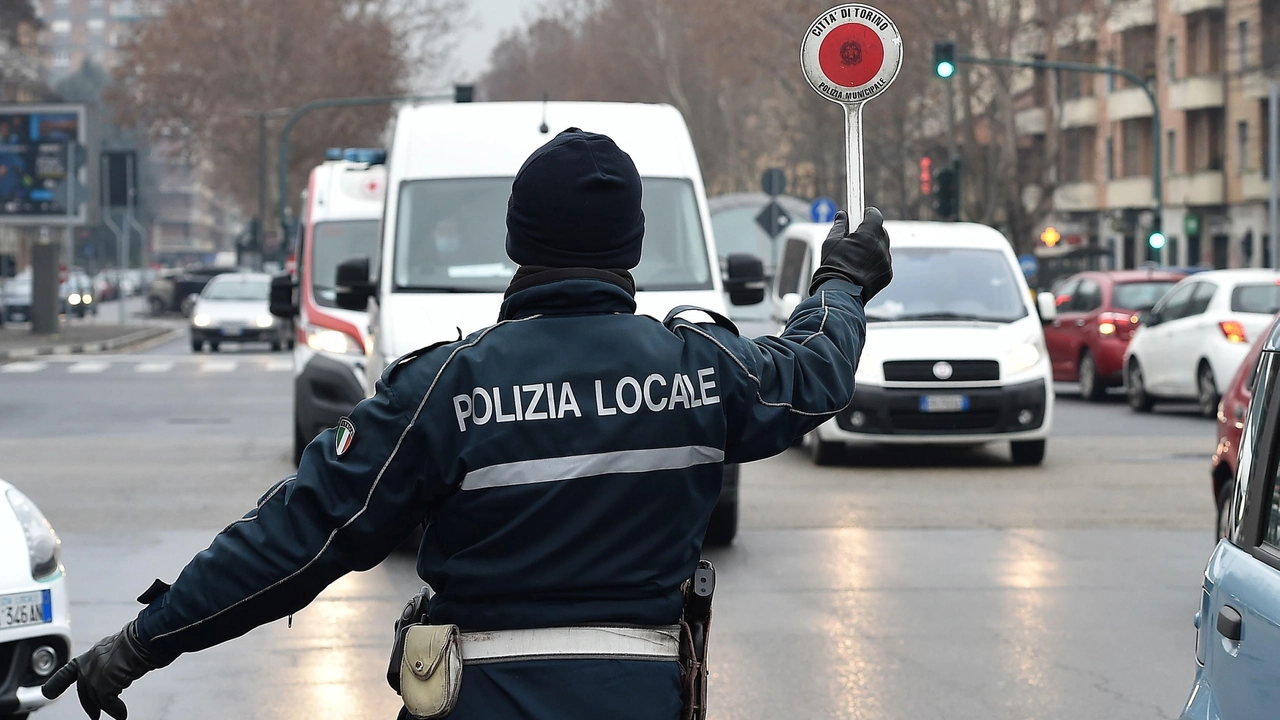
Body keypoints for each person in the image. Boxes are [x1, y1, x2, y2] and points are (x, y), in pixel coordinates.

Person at [42, 128, 891, 720]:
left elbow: (291, 540)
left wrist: (140, 643)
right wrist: (843, 280)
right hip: (643, 697)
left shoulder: (446, 388)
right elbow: (813, 372)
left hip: (478, 699)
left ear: (519, 237)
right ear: (630, 244)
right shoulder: (702, 369)